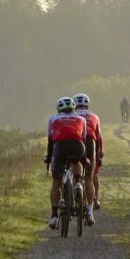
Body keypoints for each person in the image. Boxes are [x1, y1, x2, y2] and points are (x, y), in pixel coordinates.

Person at [44, 97, 88, 229]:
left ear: (58, 109)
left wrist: (48, 158)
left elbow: (51, 140)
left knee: (56, 181)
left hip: (60, 147)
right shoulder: (82, 119)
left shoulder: (53, 119)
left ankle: (54, 216)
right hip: (78, 146)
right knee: (77, 162)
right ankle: (78, 182)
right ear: (73, 108)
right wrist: (84, 158)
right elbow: (83, 138)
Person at [73, 93, 102, 214]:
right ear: (87, 105)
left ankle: (72, 195)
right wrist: (99, 153)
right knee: (91, 175)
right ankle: (94, 203)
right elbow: (99, 137)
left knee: (73, 169)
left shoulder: (71, 115)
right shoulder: (94, 116)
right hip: (91, 142)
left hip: (76, 142)